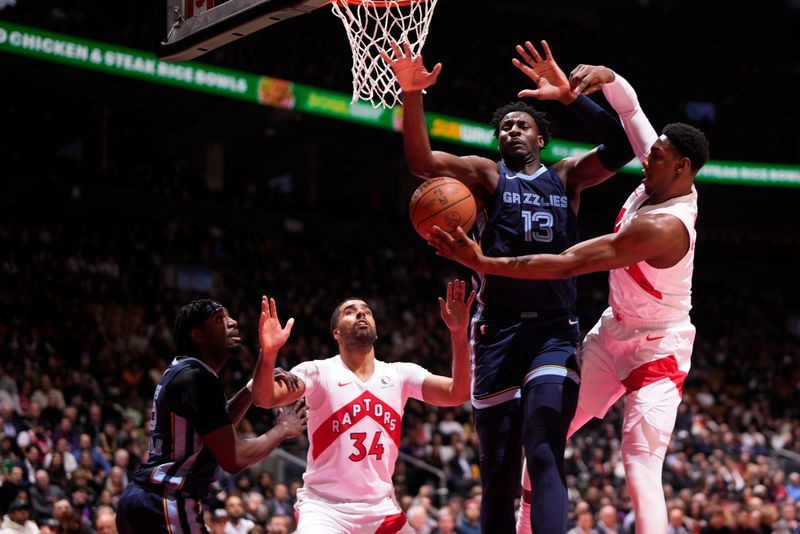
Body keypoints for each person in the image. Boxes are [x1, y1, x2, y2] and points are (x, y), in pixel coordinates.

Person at [427, 59, 709, 534]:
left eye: (656, 154)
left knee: (639, 462)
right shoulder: (661, 172)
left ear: (681, 166)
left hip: (660, 346)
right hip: (613, 328)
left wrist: (485, 264)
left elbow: (569, 263)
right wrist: (601, 80)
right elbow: (630, 111)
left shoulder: (666, 226)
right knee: (540, 445)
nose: (647, 156)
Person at [380, 40, 635, 533]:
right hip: (495, 334)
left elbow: (621, 147)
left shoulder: (566, 177)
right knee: (497, 475)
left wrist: (569, 97)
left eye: (522, 124)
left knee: (542, 450)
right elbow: (421, 162)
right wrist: (412, 95)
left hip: (553, 335)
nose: (511, 129)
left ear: (541, 138)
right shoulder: (485, 176)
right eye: (504, 126)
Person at [251, 280, 475, 533]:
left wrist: (458, 332)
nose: (361, 313)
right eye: (350, 311)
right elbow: (263, 398)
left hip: (381, 507)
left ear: (376, 331)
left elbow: (459, 393)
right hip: (325, 508)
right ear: (336, 333)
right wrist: (268, 353)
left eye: (366, 311)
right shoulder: (317, 371)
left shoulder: (401, 375)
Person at [115, 299, 308, 534]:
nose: (233, 322)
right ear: (198, 335)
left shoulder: (183, 370)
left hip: (145, 499)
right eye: (219, 320)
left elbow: (217, 426)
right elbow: (233, 458)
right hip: (166, 501)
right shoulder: (198, 378)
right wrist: (282, 430)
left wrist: (253, 382)